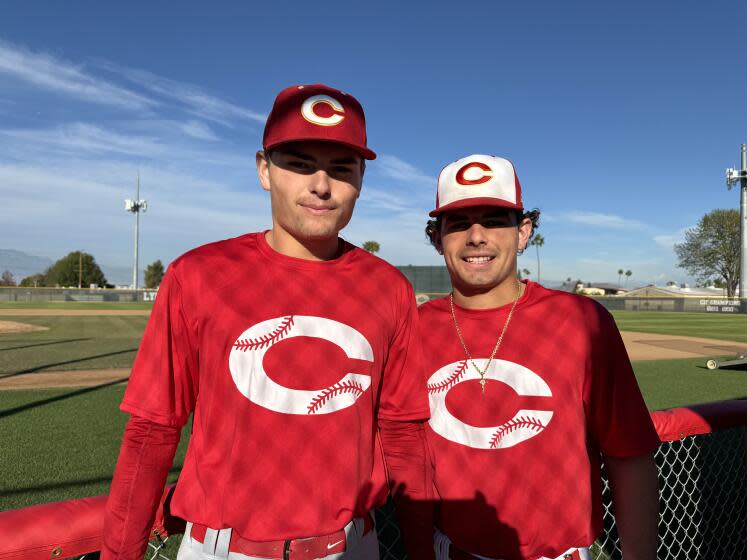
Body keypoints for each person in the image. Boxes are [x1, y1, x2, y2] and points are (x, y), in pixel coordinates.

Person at [102, 84, 433, 560]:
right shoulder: (198, 275)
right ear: (264, 170)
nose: (321, 185)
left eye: (342, 169)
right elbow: (152, 431)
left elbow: (403, 435)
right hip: (223, 547)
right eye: (299, 164)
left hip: (353, 545)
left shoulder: (389, 288)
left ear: (361, 179)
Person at [418, 154, 660, 560]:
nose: (476, 236)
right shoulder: (414, 327)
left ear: (523, 231)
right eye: (458, 223)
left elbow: (629, 454)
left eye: (494, 219)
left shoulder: (581, 320)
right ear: (437, 237)